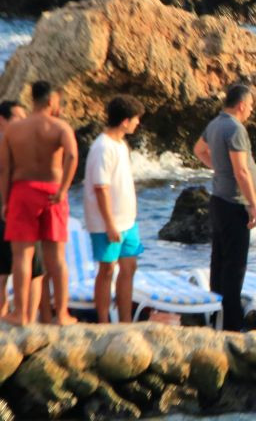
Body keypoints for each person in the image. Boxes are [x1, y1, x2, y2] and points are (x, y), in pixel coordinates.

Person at [0, 80, 79, 326]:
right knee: (56, 257)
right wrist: (64, 188)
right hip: (53, 192)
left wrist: (5, 201)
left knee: (21, 256)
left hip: (22, 191)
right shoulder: (60, 127)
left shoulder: (14, 130)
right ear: (52, 100)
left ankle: (21, 314)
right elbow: (73, 156)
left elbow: (5, 168)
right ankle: (63, 314)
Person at [194, 84, 256, 332]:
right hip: (234, 202)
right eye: (251, 105)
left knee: (219, 261)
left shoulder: (214, 124)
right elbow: (241, 170)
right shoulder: (235, 128)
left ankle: (216, 316)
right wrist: (253, 205)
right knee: (235, 264)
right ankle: (233, 322)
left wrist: (217, 168)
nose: (252, 110)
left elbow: (199, 150)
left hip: (218, 200)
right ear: (241, 105)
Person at [84, 95, 146, 323]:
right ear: (125, 121)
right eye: (136, 119)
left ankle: (125, 321)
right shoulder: (103, 147)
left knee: (129, 267)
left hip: (129, 221)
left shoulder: (121, 144)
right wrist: (110, 224)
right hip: (106, 222)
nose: (138, 123)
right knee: (107, 269)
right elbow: (101, 188)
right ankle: (102, 321)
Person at [0, 101, 45, 323]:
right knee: (7, 271)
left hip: (22, 210)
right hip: (9, 211)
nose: (23, 121)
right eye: (18, 117)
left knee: (33, 269)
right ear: (2, 120)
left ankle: (26, 317)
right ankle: (17, 317)